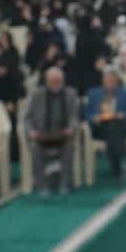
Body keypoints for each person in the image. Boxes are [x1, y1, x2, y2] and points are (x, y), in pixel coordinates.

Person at [24, 66, 80, 195]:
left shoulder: (71, 94)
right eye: (52, 81)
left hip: (63, 135)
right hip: (41, 135)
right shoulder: (37, 94)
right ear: (46, 81)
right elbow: (27, 118)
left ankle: (65, 183)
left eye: (57, 81)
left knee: (68, 146)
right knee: (35, 148)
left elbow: (75, 117)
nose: (55, 83)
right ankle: (42, 185)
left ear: (62, 81)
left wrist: (71, 129)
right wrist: (31, 132)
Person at [84, 67, 126, 181]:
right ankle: (122, 158)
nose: (110, 83)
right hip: (100, 128)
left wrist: (123, 115)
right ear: (103, 81)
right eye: (108, 80)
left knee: (114, 126)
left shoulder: (124, 93)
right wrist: (94, 118)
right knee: (112, 129)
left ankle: (116, 171)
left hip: (120, 127)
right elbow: (87, 113)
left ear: (117, 81)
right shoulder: (94, 93)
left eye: (113, 80)